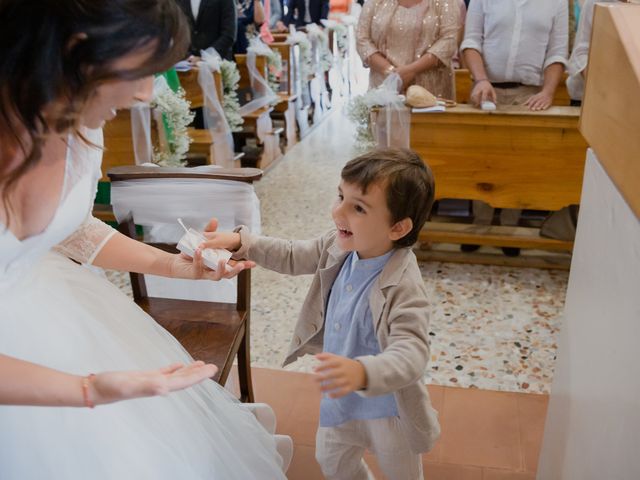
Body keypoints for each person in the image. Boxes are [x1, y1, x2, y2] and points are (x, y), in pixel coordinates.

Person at [0, 1, 290, 478]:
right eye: (140, 70)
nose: (145, 94)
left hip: (55, 318)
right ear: (79, 50)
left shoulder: (84, 129)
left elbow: (72, 228)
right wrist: (89, 391)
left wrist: (179, 267)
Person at [204, 148, 441, 480]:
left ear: (398, 228)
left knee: (401, 471)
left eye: (357, 207)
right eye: (340, 196)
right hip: (341, 400)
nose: (337, 212)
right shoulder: (337, 246)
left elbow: (412, 352)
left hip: (389, 410)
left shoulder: (404, 286)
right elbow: (291, 254)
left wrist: (363, 372)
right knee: (332, 461)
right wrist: (242, 241)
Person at [460, 0, 568, 255]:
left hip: (529, 94)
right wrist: (481, 80)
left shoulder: (558, 3)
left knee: (519, 163)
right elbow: (471, 42)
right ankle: (480, 225)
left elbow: (557, 52)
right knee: (482, 160)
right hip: (486, 90)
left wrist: (548, 92)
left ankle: (509, 228)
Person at [356, 0, 460, 98]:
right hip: (385, 85)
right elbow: (362, 39)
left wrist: (411, 70)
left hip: (431, 88)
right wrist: (392, 73)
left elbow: (449, 40)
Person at [566, 0, 619, 105]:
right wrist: (600, 87)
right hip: (590, 97)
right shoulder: (594, 2)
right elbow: (580, 53)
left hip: (631, 99)